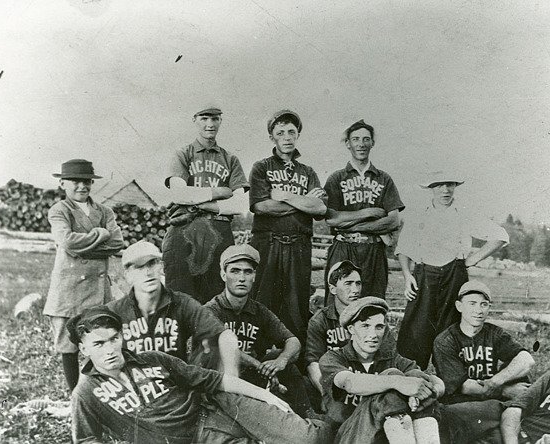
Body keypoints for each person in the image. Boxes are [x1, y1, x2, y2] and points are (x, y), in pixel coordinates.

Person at [68, 306, 332, 444]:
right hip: (198, 440)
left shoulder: (151, 359)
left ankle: (344, 425)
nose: (110, 350)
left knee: (311, 439)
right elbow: (87, 439)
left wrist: (264, 395)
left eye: (114, 339)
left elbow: (213, 380)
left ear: (122, 336)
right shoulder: (86, 392)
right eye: (98, 344)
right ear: (83, 349)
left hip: (220, 405)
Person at [396, 171, 509, 369]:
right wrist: (407, 276)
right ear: (431, 188)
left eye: (450, 185)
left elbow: (499, 235)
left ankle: (451, 386)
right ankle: (410, 384)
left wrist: (473, 259)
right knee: (416, 332)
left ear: (455, 186)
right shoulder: (419, 214)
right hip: (424, 277)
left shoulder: (465, 213)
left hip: (454, 277)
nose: (445, 190)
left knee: (452, 332)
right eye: (439, 185)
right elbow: (404, 248)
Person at [200, 243, 312, 417]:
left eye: (248, 272)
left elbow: (293, 341)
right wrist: (260, 366)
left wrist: (280, 361)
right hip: (223, 380)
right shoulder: (211, 310)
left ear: (254, 276)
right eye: (235, 271)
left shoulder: (259, 311)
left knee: (280, 358)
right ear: (223, 275)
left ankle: (307, 413)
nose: (242, 278)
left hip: (252, 378)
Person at [44, 159, 124, 391]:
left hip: (98, 290)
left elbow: (117, 242)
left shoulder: (104, 211)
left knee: (100, 338)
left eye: (86, 181)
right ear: (62, 183)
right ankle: (75, 395)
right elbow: (67, 242)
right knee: (68, 346)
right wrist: (100, 234)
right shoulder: (60, 210)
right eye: (75, 181)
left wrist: (86, 244)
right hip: (69, 289)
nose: (82, 186)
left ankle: (99, 391)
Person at [248, 109, 327, 344]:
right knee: (262, 302)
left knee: (295, 306)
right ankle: (257, 356)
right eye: (280, 132)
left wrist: (283, 195)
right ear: (272, 136)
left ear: (298, 135)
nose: (286, 137)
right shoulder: (261, 167)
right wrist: (303, 201)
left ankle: (294, 364)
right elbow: (261, 207)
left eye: (291, 132)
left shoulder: (308, 171)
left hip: (298, 246)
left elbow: (321, 209)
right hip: (268, 243)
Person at [319, 297, 445, 444]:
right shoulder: (334, 358)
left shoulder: (391, 359)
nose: (373, 334)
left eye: (379, 327)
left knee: (414, 375)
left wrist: (427, 390)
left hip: (385, 436)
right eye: (365, 326)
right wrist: (397, 382)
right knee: (392, 375)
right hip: (350, 434)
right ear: (351, 329)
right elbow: (350, 382)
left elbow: (435, 382)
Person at [107, 241, 239, 375]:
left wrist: (231, 380)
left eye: (152, 263)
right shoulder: (115, 311)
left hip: (175, 387)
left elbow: (223, 335)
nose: (148, 273)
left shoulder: (181, 303)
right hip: (136, 389)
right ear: (128, 276)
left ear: (162, 267)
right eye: (139, 267)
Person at [162, 105, 249, 304]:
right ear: (194, 120)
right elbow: (179, 193)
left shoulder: (230, 159)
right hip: (185, 231)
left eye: (215, 119)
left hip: (219, 232)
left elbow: (240, 204)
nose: (210, 124)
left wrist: (200, 204)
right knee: (180, 298)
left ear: (220, 121)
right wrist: (218, 192)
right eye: (204, 118)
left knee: (216, 299)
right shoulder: (183, 154)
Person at [323, 120, 404, 300]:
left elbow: (393, 221)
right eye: (356, 139)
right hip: (343, 247)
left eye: (366, 139)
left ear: (372, 143)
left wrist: (353, 226)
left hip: (374, 249)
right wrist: (367, 213)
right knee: (337, 303)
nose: (361, 144)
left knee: (372, 302)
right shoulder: (336, 178)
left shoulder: (384, 178)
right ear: (347, 143)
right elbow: (331, 219)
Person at [305, 260, 396, 401]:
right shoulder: (320, 320)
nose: (355, 290)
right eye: (348, 283)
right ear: (333, 288)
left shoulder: (373, 317)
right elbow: (313, 362)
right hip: (335, 383)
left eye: (358, 283)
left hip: (370, 381)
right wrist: (326, 394)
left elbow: (389, 356)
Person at [433, 280, 534, 404]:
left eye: (483, 304)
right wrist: (504, 391)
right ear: (459, 306)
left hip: (491, 395)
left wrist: (496, 381)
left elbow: (526, 360)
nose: (478, 310)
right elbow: (464, 387)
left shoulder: (493, 333)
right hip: (461, 403)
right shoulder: (446, 340)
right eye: (472, 303)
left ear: (489, 308)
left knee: (522, 379)